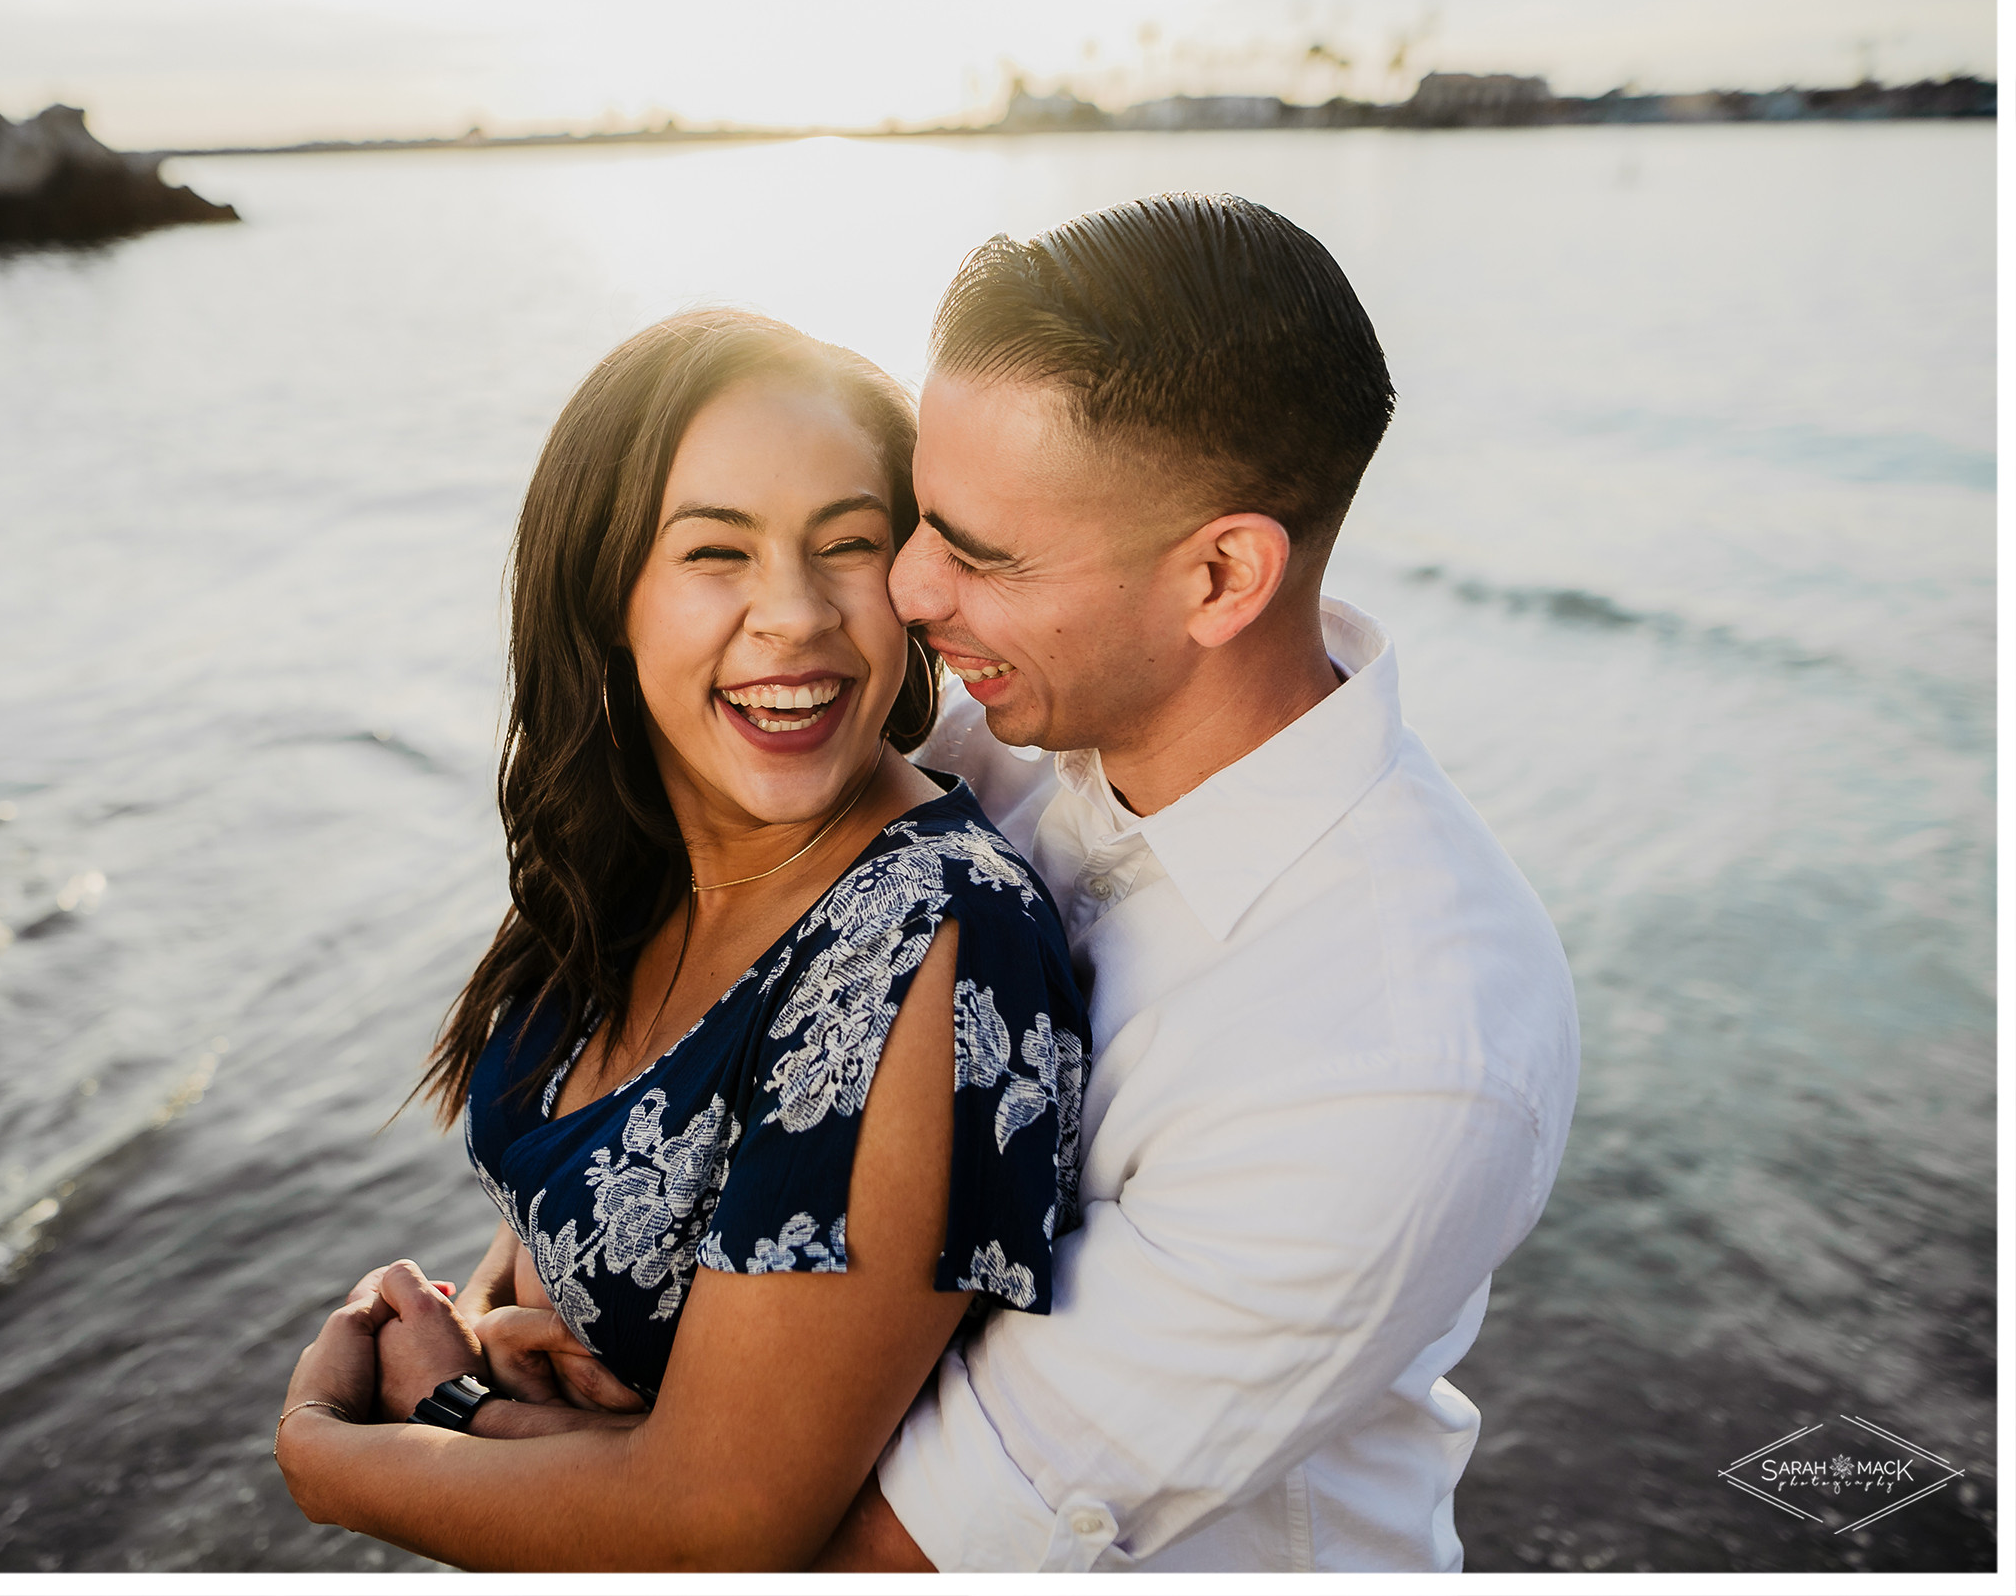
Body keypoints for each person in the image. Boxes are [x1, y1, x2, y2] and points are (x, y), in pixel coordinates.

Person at [335, 192, 1581, 1572]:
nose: (909, 591)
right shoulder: (996, 737)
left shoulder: (1401, 1054)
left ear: (1222, 574)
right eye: (917, 516)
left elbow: (883, 1554)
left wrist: (413, 1432)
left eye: (978, 551)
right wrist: (576, 1299)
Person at [272, 308, 1088, 1570]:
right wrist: (491, 1316)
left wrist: (346, 1453)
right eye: (716, 551)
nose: (794, 616)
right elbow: (582, 1190)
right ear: (607, 593)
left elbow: (724, 1523)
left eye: (849, 544)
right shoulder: (645, 847)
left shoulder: (926, 938)